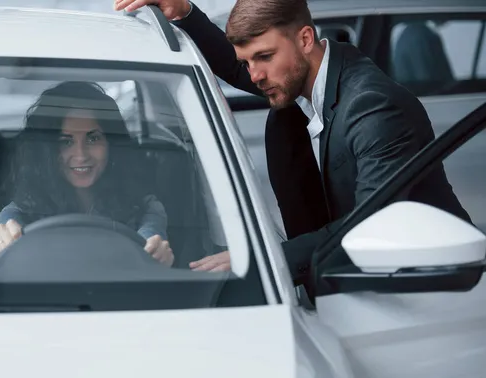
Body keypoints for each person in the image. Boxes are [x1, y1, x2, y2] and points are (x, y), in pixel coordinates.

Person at [114, 0, 471, 282]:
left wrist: (261, 256)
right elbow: (245, 65)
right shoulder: (302, 77)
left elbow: (367, 228)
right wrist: (186, 12)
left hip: (428, 285)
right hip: (346, 278)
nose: (254, 76)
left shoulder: (373, 107)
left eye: (265, 57)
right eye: (248, 61)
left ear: (304, 39)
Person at [0, 81, 174, 266]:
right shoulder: (20, 210)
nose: (81, 155)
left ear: (111, 144)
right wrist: (6, 242)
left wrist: (156, 253)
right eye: (66, 142)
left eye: (93, 139)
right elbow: (10, 233)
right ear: (47, 152)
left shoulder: (145, 207)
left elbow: (151, 245)